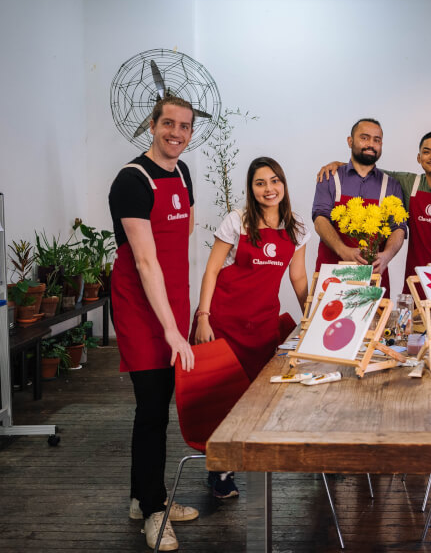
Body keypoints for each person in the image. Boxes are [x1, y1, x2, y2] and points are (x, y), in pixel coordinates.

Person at [108, 96, 198, 551]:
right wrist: (167, 327)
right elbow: (145, 260)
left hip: (171, 299)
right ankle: (154, 511)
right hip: (140, 307)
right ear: (152, 125)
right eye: (168, 124)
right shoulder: (132, 179)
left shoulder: (182, 173)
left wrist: (186, 311)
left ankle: (141, 496)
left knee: (161, 401)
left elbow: (181, 242)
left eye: (184, 126)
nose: (176, 133)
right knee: (151, 407)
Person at [192, 156, 309, 498]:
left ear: (283, 184)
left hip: (262, 325)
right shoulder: (237, 221)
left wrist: (312, 318)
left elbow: (298, 278)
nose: (269, 189)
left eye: (274, 181)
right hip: (224, 323)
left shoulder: (297, 226)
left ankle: (247, 457)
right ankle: (220, 471)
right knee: (222, 398)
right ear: (251, 189)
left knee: (255, 399)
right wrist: (203, 316)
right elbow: (212, 270)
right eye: (260, 183)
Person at [315, 131, 431, 291]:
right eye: (427, 152)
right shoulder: (409, 184)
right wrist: (340, 165)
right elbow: (371, 171)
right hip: (415, 277)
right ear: (419, 158)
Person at [312, 118, 407, 298]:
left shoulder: (391, 185)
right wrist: (344, 251)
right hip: (332, 277)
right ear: (350, 141)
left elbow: (398, 228)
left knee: (375, 326)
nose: (371, 144)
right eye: (364, 138)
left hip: (373, 277)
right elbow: (320, 219)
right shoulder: (330, 177)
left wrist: (386, 255)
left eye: (376, 140)